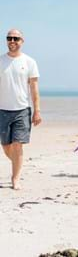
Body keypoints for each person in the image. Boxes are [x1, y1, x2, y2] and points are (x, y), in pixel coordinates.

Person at [0, 29, 42, 190]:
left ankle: (15, 178)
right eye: (9, 38)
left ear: (22, 41)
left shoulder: (30, 62)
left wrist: (37, 110)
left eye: (15, 38)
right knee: (6, 145)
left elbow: (34, 89)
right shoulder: (1, 61)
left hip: (22, 110)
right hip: (2, 110)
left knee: (18, 144)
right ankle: (18, 162)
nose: (12, 40)